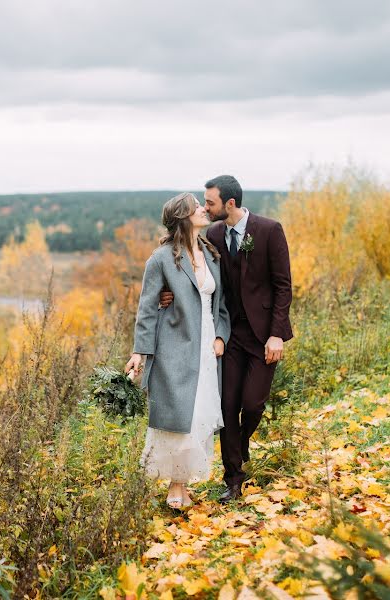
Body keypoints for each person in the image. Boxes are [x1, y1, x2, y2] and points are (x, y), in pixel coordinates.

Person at [159, 175, 293, 502]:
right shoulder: (214, 235)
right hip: (229, 336)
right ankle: (233, 479)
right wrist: (169, 293)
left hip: (264, 337)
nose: (205, 208)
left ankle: (242, 443)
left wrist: (276, 334)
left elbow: (283, 286)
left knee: (253, 403)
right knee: (227, 406)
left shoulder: (269, 230)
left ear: (229, 204)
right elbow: (191, 270)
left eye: (210, 203)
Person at [125, 192, 231, 509]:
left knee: (198, 414)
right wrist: (139, 352)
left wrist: (221, 337)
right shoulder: (160, 259)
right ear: (183, 217)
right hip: (174, 347)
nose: (203, 208)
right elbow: (146, 310)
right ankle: (175, 484)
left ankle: (182, 484)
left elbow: (221, 304)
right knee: (178, 416)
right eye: (196, 206)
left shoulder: (210, 253)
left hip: (208, 347)